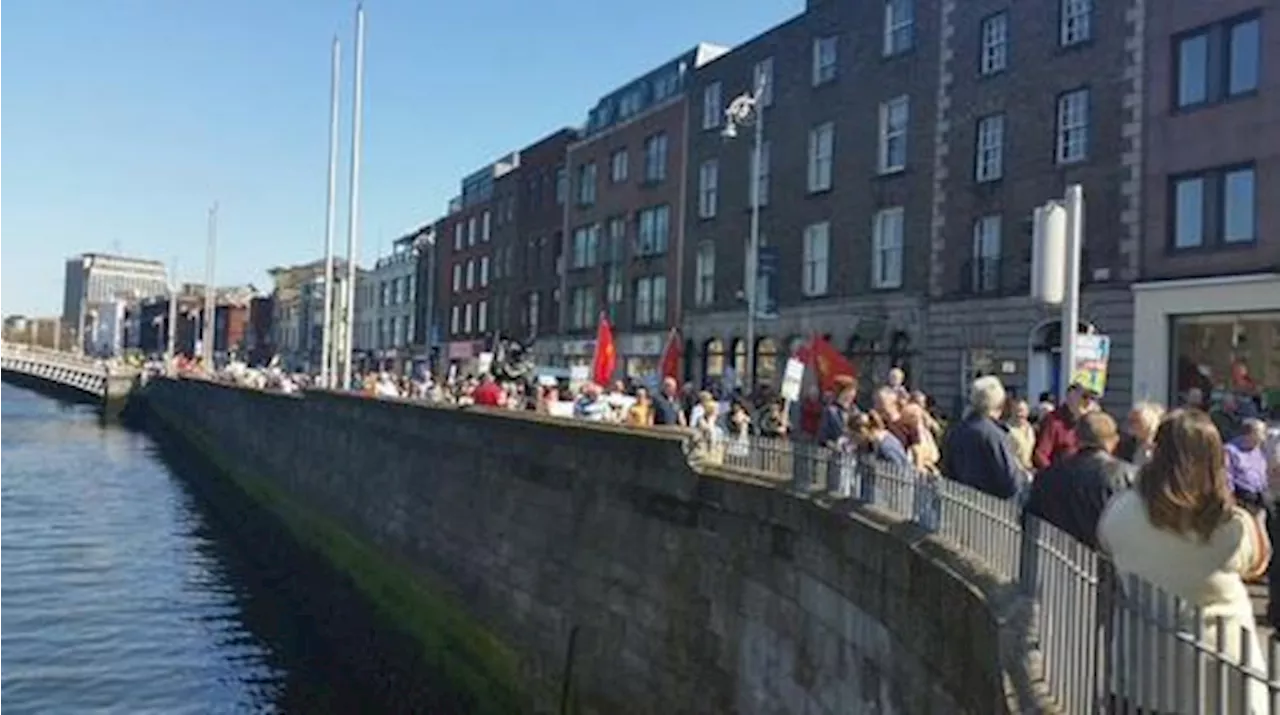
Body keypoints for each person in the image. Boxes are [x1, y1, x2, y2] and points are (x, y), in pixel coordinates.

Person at [1098, 409, 1269, 713]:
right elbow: (1257, 562)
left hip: (1144, 673)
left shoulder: (1121, 510)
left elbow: (1107, 546)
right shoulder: (1230, 525)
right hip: (1221, 676)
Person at [1024, 411, 1134, 549]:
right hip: (1105, 560)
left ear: (1075, 438)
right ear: (1113, 440)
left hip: (1053, 559)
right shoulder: (1126, 476)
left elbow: (1030, 519)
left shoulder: (1048, 475)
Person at [941, 376, 1027, 500]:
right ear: (999, 402)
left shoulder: (957, 431)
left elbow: (947, 472)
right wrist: (1023, 477)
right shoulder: (994, 435)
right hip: (991, 508)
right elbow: (1011, 482)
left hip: (960, 506)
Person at [1032, 383, 1096, 470]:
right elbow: (1040, 455)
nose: (1088, 402)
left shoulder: (1092, 424)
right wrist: (1056, 477)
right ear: (1070, 396)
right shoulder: (1053, 420)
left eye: (1092, 398)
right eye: (1084, 397)